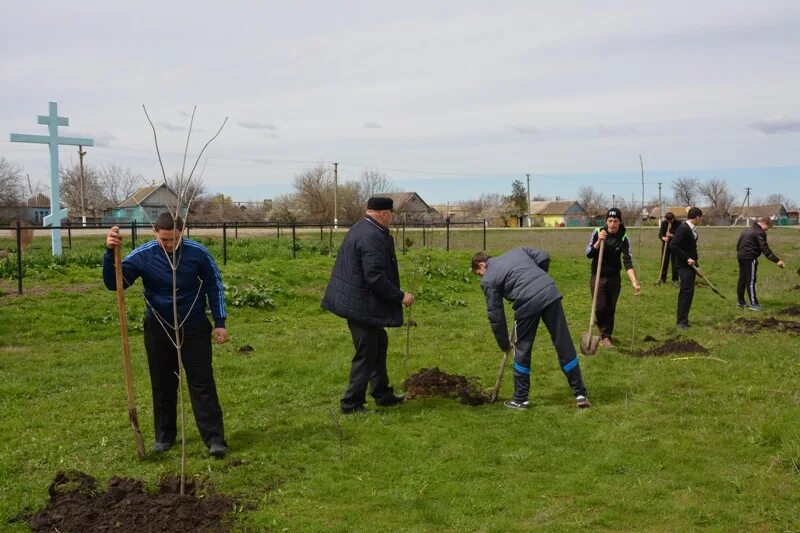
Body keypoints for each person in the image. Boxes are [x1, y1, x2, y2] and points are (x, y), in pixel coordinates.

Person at [103, 213, 229, 457]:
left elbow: (214, 285)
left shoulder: (198, 253)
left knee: (202, 382)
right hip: (158, 326)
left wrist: (220, 322)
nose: (170, 245)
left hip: (193, 326)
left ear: (183, 232)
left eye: (175, 239)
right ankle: (164, 437)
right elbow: (115, 282)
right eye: (164, 240)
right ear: (155, 233)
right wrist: (110, 253)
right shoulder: (143, 255)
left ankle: (215, 439)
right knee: (162, 383)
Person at [322, 197, 414, 414]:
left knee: (378, 344)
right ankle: (351, 403)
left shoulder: (363, 228)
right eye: (390, 213)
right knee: (366, 353)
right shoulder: (371, 236)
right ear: (383, 213)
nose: (391, 217)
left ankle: (383, 394)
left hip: (360, 301)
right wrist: (400, 296)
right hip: (359, 304)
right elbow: (374, 276)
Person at [472, 248, 590, 410]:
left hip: (527, 302)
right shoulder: (517, 251)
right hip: (549, 291)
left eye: (479, 273)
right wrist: (537, 280)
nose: (481, 278)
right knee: (563, 341)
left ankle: (520, 399)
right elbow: (543, 256)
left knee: (522, 348)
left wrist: (504, 344)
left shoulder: (488, 279)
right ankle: (580, 393)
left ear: (482, 265)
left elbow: (496, 315)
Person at [584, 208, 641, 348]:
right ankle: (601, 329)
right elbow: (588, 254)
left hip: (614, 277)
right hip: (598, 275)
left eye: (615, 221)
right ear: (606, 221)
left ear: (620, 222)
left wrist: (634, 281)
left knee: (610, 308)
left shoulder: (623, 237)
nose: (612, 224)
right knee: (599, 307)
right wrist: (598, 242)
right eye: (610, 221)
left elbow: (627, 261)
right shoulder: (598, 232)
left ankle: (606, 337)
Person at [736, 216, 785, 310]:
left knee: (742, 280)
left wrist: (741, 253)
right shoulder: (759, 232)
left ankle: (741, 303)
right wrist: (777, 260)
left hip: (741, 256)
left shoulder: (748, 229)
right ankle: (754, 304)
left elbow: (738, 244)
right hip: (750, 258)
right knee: (751, 281)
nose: (767, 230)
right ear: (764, 223)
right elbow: (765, 249)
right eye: (768, 227)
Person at [669, 207, 703, 330]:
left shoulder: (691, 229)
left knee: (689, 292)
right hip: (683, 266)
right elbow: (673, 246)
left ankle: (684, 320)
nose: (700, 220)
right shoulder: (683, 228)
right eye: (700, 217)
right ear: (697, 217)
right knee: (686, 292)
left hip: (691, 266)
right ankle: (681, 322)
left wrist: (697, 267)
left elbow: (691, 249)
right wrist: (687, 258)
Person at [658, 212, 681, 284]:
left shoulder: (679, 223)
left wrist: (671, 235)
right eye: (668, 221)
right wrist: (663, 238)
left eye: (670, 221)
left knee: (675, 262)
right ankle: (662, 279)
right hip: (666, 245)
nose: (669, 222)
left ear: (673, 218)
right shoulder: (664, 223)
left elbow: (680, 235)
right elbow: (660, 233)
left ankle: (675, 279)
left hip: (675, 245)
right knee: (664, 262)